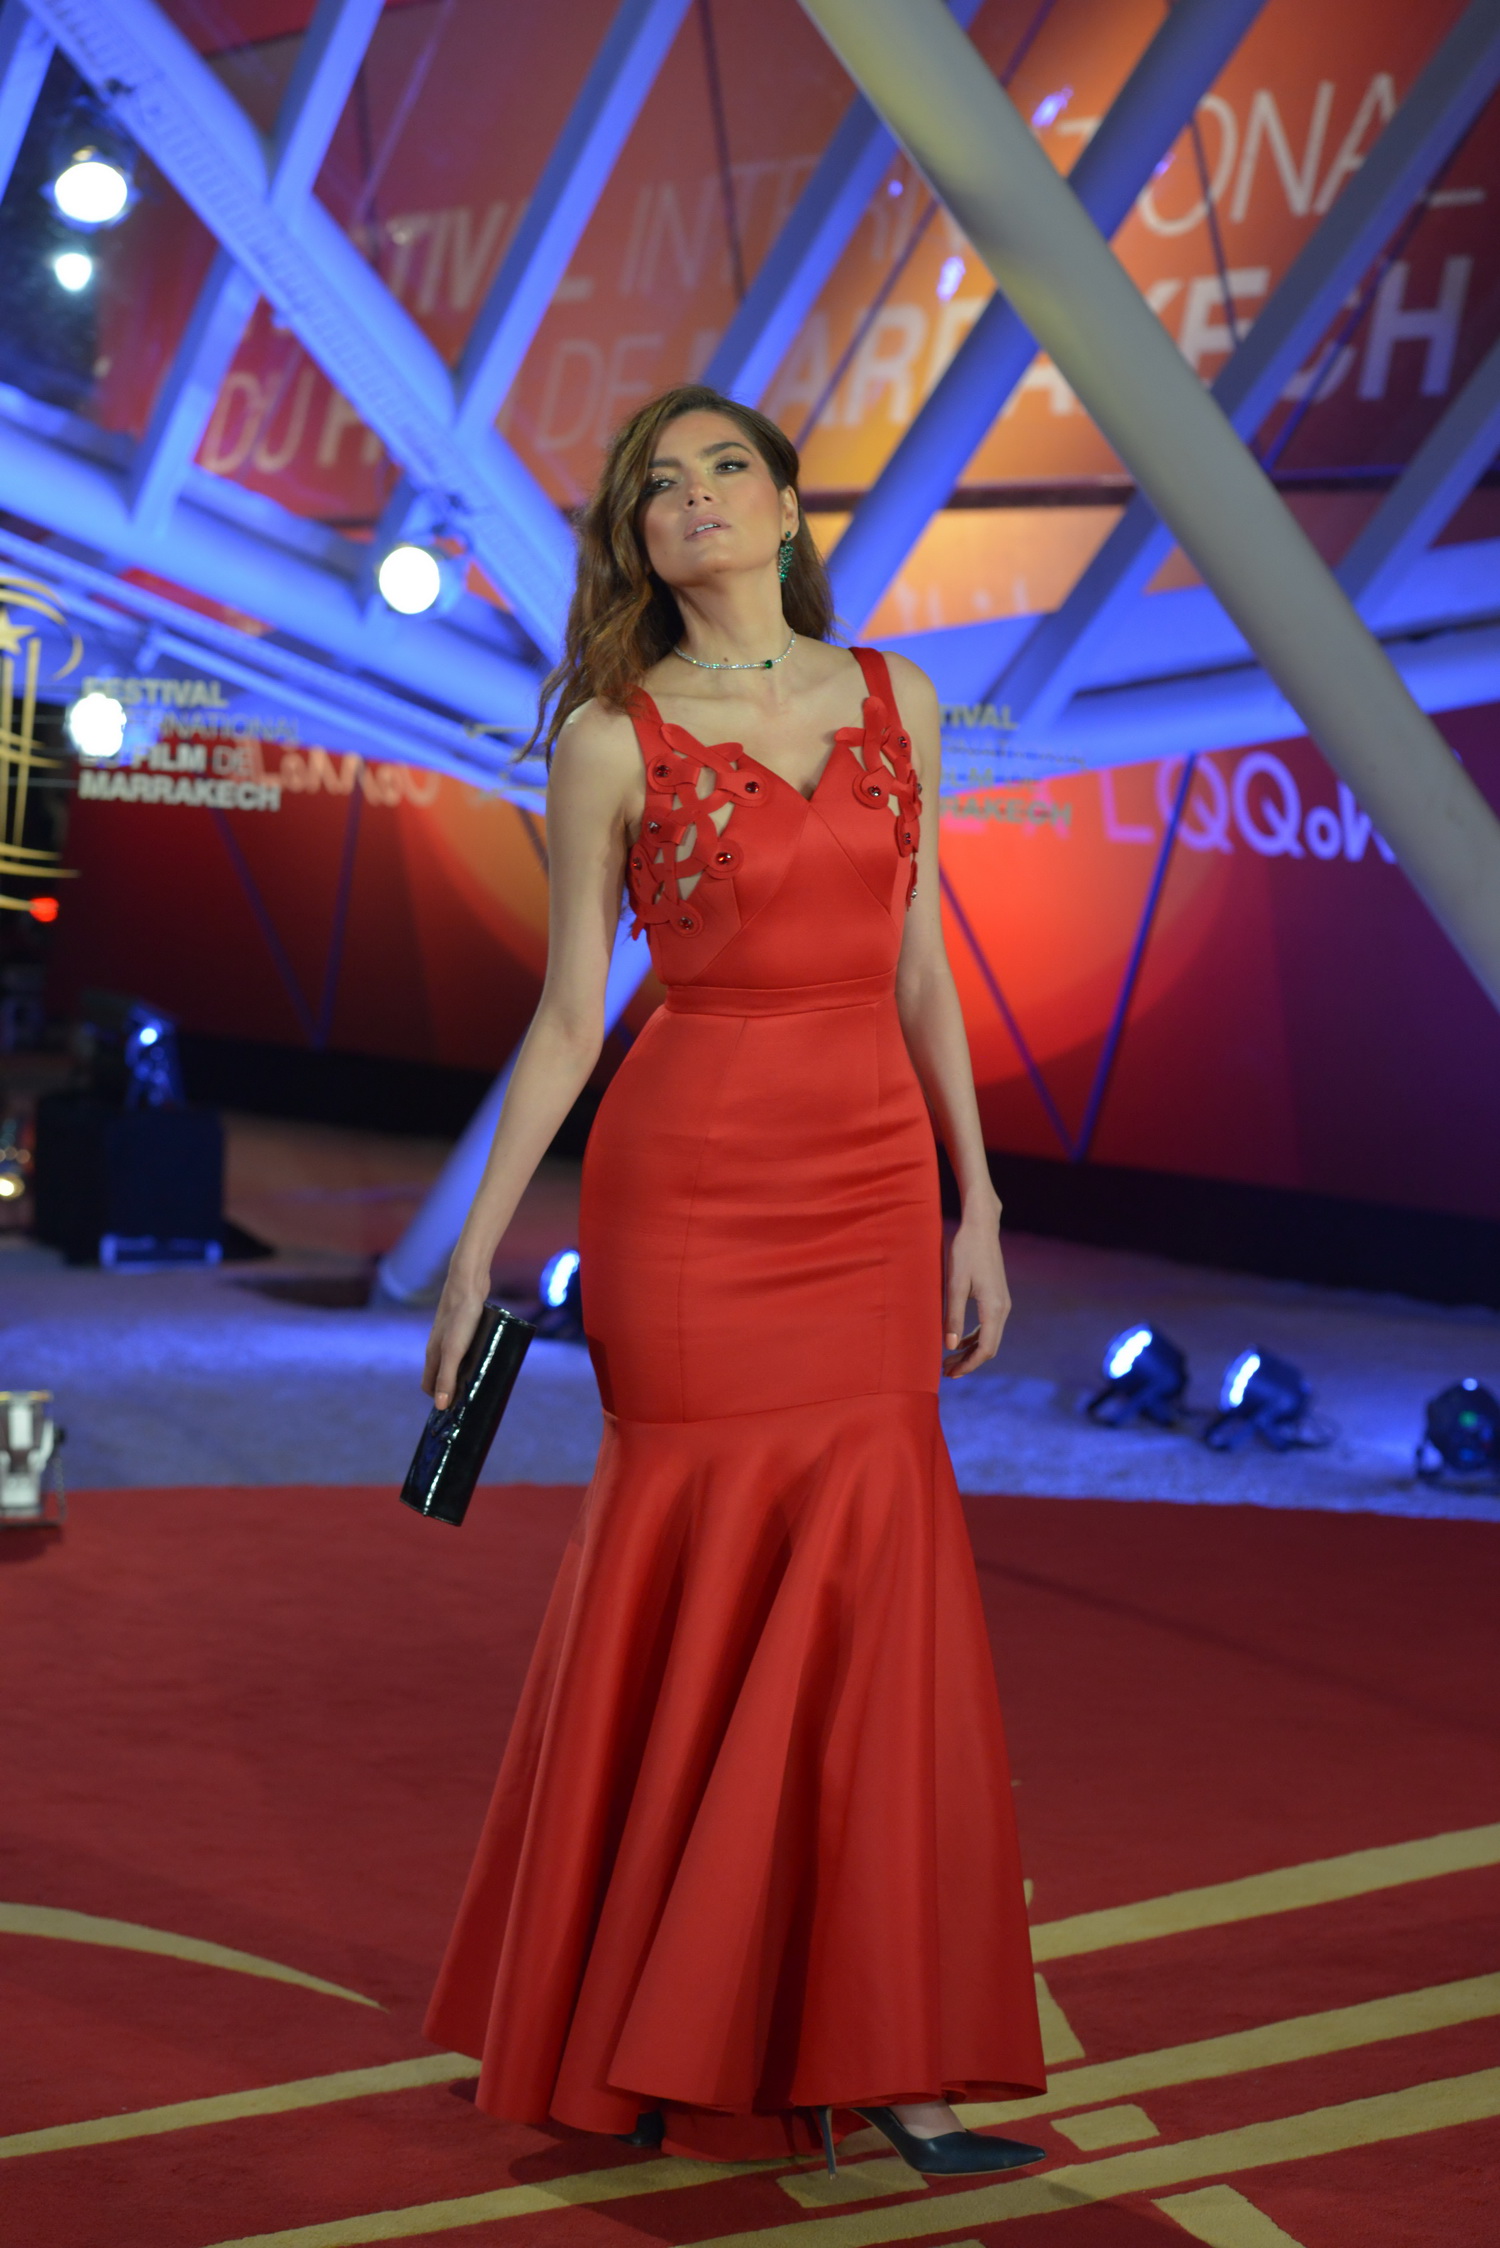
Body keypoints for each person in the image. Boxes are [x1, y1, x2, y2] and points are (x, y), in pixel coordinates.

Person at [422, 383, 1046, 2177]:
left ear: (784, 507)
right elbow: (568, 1019)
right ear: (637, 540)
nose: (693, 498)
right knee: (687, 1577)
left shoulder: (894, 697)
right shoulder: (608, 740)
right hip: (689, 1192)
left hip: (870, 1182)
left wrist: (978, 1201)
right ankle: (633, 2039)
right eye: (657, 486)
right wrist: (469, 1256)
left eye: (724, 470)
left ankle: (901, 2061)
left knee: (877, 1598)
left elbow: (921, 966)